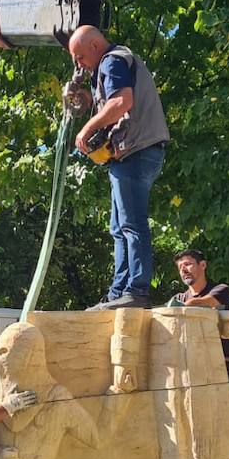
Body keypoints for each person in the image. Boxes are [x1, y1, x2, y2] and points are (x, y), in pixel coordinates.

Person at [66, 24, 170, 310]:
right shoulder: (113, 64)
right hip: (133, 154)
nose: (79, 64)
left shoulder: (112, 60)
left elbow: (122, 102)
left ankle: (135, 290)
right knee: (119, 226)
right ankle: (119, 292)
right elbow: (109, 102)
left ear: (95, 47)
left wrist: (85, 129)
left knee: (131, 224)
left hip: (136, 151)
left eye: (80, 57)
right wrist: (85, 99)